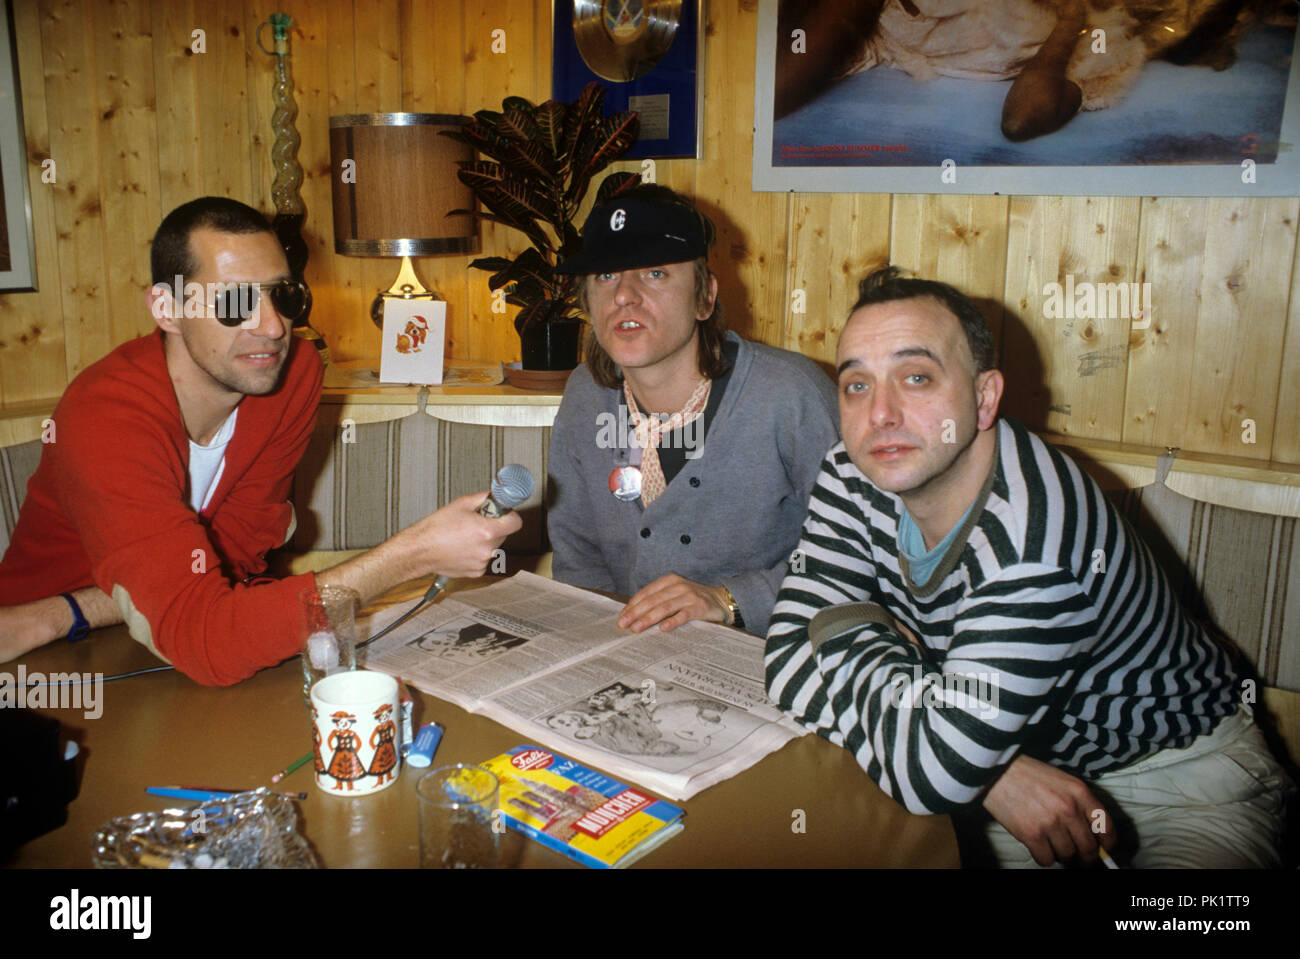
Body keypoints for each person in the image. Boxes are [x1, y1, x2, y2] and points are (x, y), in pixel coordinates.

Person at [766, 266, 1294, 868]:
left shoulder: (1033, 538)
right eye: (856, 385)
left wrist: (844, 628)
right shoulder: (852, 469)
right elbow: (785, 658)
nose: (880, 414)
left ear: (985, 396)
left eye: (916, 377)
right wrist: (997, 775)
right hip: (1012, 783)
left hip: (1181, 782)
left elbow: (930, 770)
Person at [0, 197, 520, 685]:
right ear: (166, 309)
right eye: (235, 301)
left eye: (285, 295)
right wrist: (414, 553)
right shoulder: (106, 414)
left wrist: (67, 611)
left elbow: (239, 555)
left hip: (126, 629)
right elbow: (205, 642)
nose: (272, 327)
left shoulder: (292, 376)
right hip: (49, 663)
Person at [547, 184, 838, 637]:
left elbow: (859, 556)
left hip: (775, 651)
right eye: (605, 276)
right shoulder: (585, 395)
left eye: (655, 273)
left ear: (705, 298)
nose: (624, 295)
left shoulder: (791, 395)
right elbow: (578, 555)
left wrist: (729, 600)